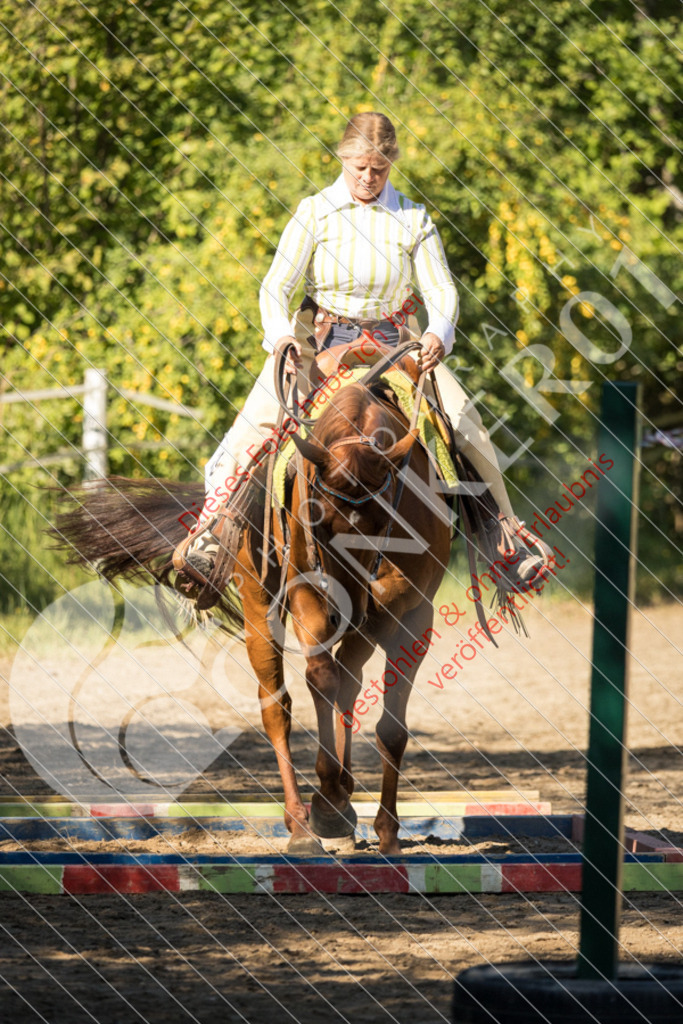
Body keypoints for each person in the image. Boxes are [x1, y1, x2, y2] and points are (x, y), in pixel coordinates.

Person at [175, 112, 551, 592]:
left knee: (465, 424)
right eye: (359, 167)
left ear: (391, 163)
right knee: (251, 428)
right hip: (318, 344)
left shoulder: (413, 217)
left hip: (396, 346)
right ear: (343, 159)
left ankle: (506, 540)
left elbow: (441, 289)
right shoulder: (313, 213)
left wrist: (438, 331)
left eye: (378, 169)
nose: (368, 178)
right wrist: (281, 339)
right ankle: (212, 537)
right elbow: (276, 288)